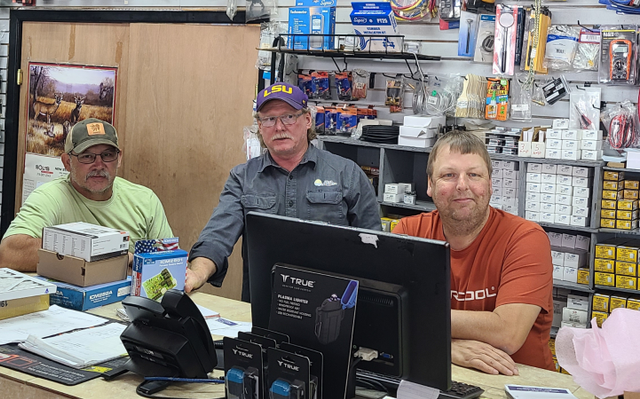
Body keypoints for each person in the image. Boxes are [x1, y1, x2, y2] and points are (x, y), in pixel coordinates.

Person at [186, 82, 381, 300]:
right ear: (260, 126)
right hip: (263, 305)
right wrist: (196, 274)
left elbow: (374, 245)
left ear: (307, 120)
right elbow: (217, 236)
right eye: (269, 119)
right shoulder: (243, 178)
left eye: (289, 116)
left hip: (332, 304)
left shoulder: (347, 173)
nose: (279, 127)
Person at [392, 130, 554, 375]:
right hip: (440, 371)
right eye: (448, 175)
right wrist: (449, 347)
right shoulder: (409, 232)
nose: (462, 185)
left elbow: (507, 333)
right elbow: (386, 316)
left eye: (474, 175)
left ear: (489, 185)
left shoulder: (525, 238)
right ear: (430, 184)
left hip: (517, 383)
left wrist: (421, 325)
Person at [0, 118, 173, 272]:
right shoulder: (50, 196)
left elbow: (171, 264)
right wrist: (109, 254)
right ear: (67, 162)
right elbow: (10, 253)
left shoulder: (144, 200)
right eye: (87, 156)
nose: (99, 164)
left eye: (107, 155)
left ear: (119, 158)